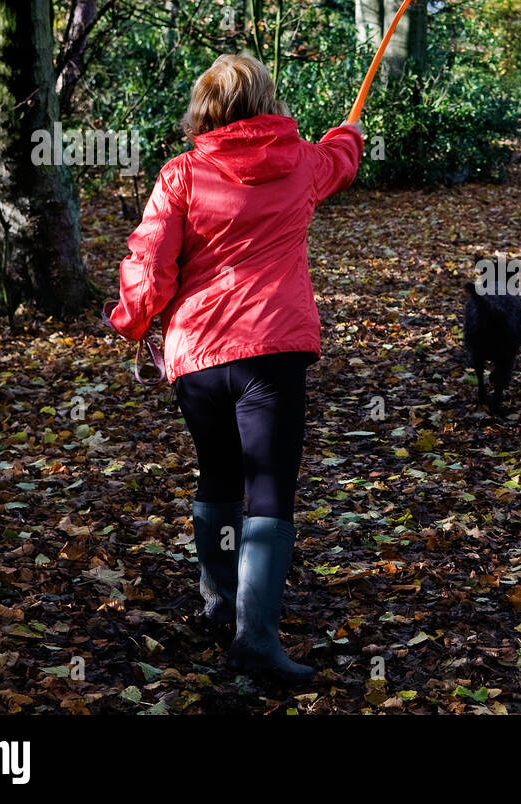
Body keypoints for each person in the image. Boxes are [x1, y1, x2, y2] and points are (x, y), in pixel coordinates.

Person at [105, 53, 364, 682]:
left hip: (196, 355)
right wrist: (349, 133)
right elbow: (340, 161)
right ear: (267, 101)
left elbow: (149, 261)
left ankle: (221, 604)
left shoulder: (181, 175)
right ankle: (254, 639)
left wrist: (136, 323)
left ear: (206, 109)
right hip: (272, 349)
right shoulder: (303, 163)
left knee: (218, 473)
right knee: (269, 489)